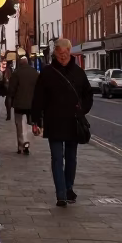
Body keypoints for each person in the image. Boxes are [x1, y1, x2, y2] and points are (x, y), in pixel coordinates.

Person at [30, 38, 93, 207]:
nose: (63, 56)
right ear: (55, 53)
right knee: (57, 158)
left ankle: (68, 187)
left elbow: (88, 94)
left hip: (73, 121)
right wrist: (36, 120)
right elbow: (38, 97)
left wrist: (82, 110)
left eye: (65, 53)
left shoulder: (79, 73)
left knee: (71, 158)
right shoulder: (47, 72)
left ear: (70, 52)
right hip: (54, 121)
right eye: (59, 53)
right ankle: (61, 194)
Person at [7, 57, 38, 154]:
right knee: (29, 123)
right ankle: (27, 143)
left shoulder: (16, 73)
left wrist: (10, 100)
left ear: (20, 64)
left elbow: (11, 89)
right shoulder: (35, 73)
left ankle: (21, 145)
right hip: (31, 104)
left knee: (19, 124)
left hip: (19, 104)